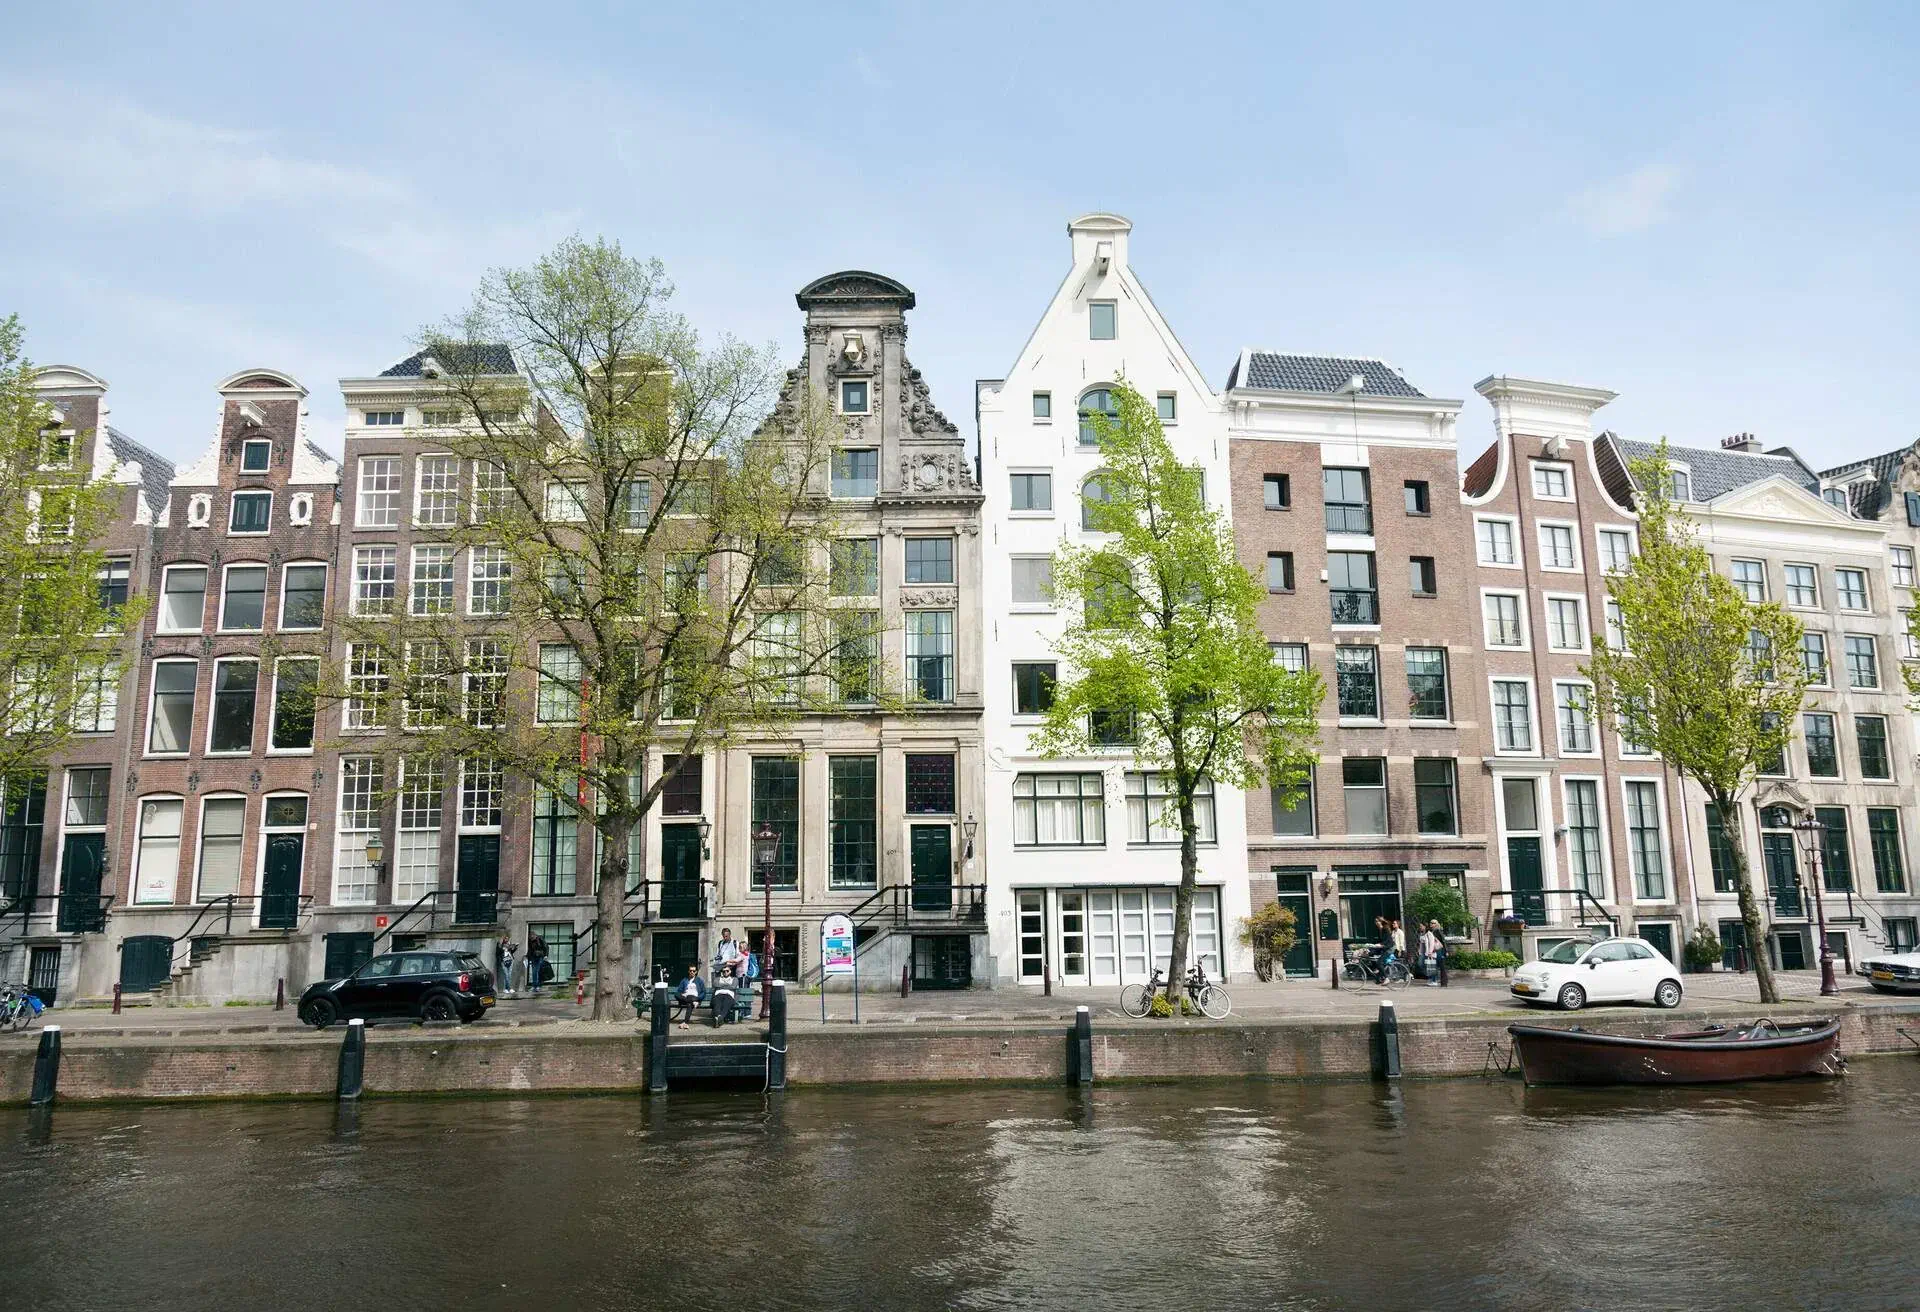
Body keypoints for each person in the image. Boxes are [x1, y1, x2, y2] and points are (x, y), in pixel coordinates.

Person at [1418, 922, 1443, 986]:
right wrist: (1420, 952)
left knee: (1432, 967)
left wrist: (1430, 952)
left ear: (1425, 927)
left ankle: (1434, 981)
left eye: (1421, 926)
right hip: (1425, 953)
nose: (1420, 927)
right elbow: (1421, 944)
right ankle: (1431, 980)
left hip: (1431, 953)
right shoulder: (1422, 934)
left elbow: (1432, 943)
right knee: (1427, 966)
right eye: (1419, 926)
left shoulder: (1429, 934)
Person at [1427, 919, 1448, 987]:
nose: (1431, 924)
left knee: (1442, 967)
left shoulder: (1438, 930)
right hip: (1436, 950)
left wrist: (1446, 951)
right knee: (1435, 966)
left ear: (1436, 924)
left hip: (1440, 950)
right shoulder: (1432, 931)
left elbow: (1443, 941)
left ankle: (1444, 983)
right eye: (1430, 922)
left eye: (1433, 923)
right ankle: (1435, 981)